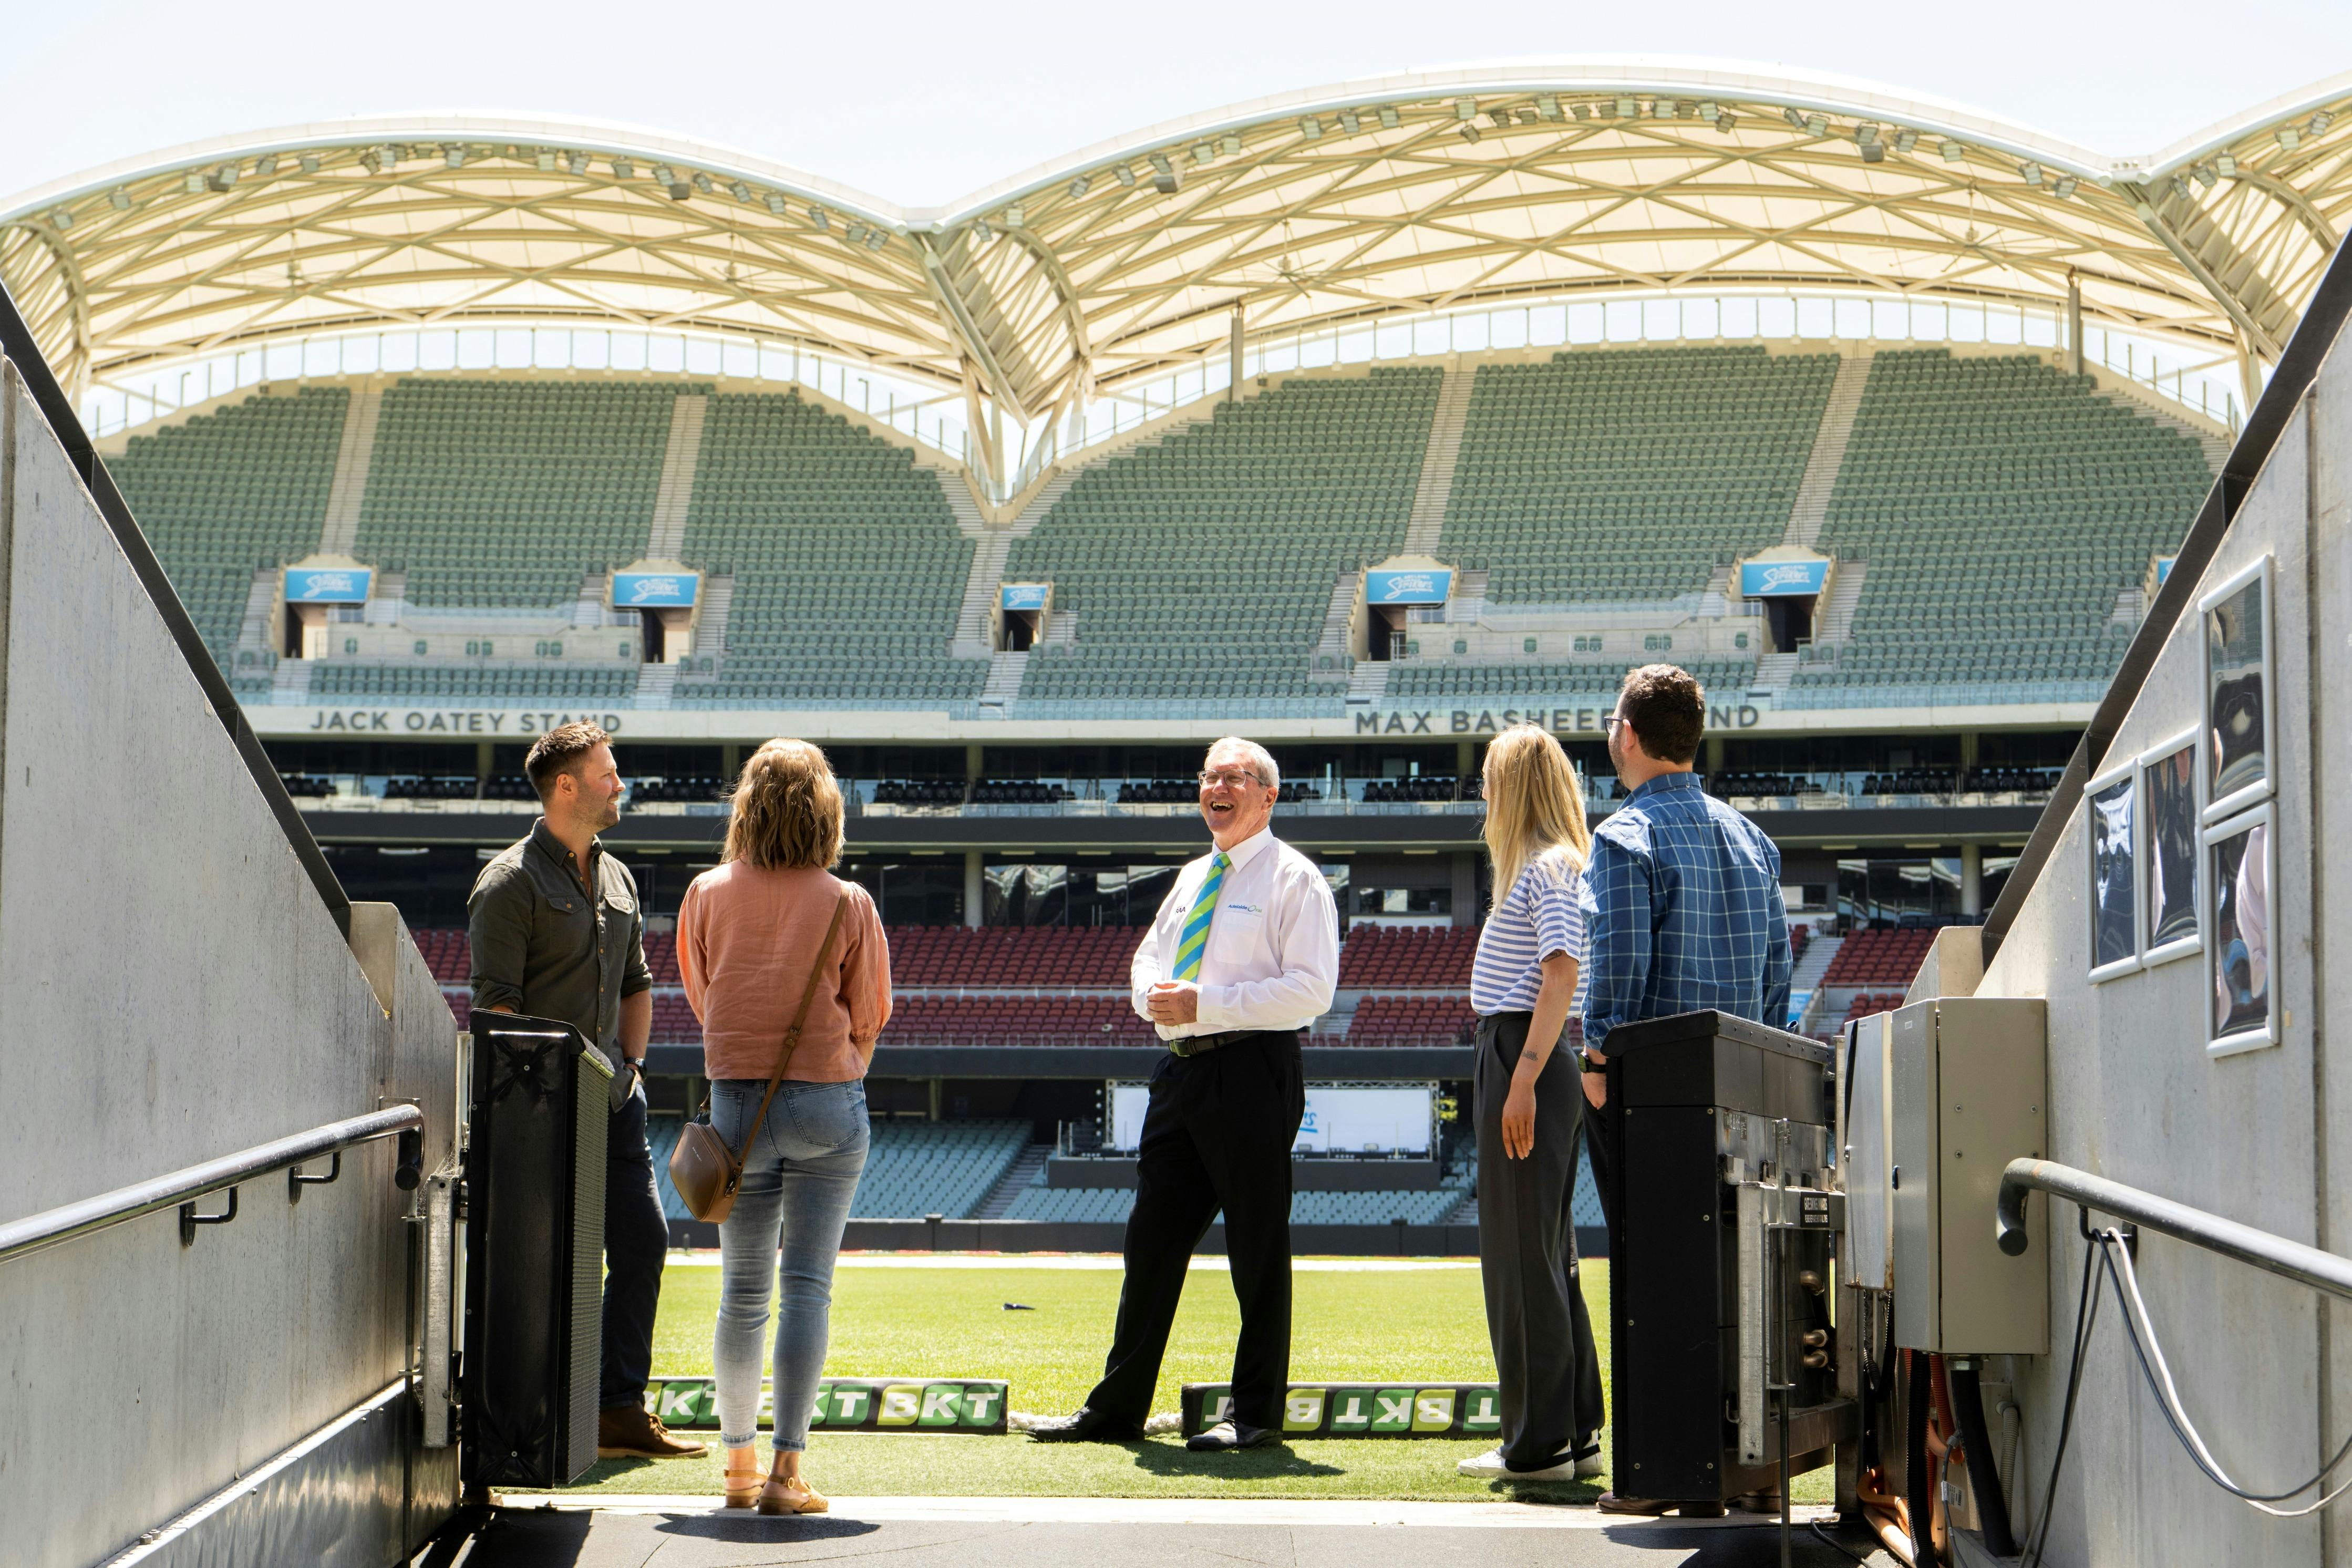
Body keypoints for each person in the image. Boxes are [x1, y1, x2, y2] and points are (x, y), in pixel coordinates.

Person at [1031, 737, 1339, 1451]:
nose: (1218, 787)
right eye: (1210, 776)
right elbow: (1149, 957)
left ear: (1269, 795)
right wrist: (1154, 998)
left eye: (1236, 776)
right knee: (1151, 1242)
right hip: (1181, 1070)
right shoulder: (1194, 875)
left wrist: (1208, 1002)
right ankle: (1116, 1410)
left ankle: (1256, 1414)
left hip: (1253, 1067)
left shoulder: (1295, 879)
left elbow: (1311, 992)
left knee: (1256, 1250)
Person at [1575, 666, 1792, 1517]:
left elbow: (1617, 967)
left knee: (1652, 1278)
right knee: (1737, 1278)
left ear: (1628, 733)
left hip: (1653, 1094)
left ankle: (1664, 1473)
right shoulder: (1752, 840)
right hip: (1742, 1086)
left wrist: (1597, 1063)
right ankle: (1739, 1468)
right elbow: (1777, 981)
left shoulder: (1624, 836)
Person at [468, 722, 704, 1462]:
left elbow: (637, 984)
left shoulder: (618, 876)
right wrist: (536, 1101)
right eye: (606, 774)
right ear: (565, 787)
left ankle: (618, 1408)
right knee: (538, 1265)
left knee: (644, 1242)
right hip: (537, 1117)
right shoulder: (508, 883)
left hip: (614, 1103)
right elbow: (495, 1012)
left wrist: (631, 1067)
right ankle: (528, 1421)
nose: (619, 784)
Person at [678, 740, 890, 1514]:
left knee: (741, 1294)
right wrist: (843, 1065)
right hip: (828, 1102)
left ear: (746, 809)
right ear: (826, 813)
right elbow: (871, 1012)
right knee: (807, 1289)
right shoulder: (848, 901)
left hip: (738, 1108)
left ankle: (736, 1469)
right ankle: (786, 1474)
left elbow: (706, 998)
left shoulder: (705, 892)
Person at [1456, 725, 1606, 1484]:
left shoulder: (1545, 868)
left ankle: (1537, 1443)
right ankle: (1571, 1433)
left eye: (1490, 778)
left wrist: (1520, 1077)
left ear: (1514, 785)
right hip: (1525, 1052)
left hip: (1525, 1052)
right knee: (1549, 1257)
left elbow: (1561, 971)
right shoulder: (1550, 864)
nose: (1483, 792)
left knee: (1520, 1258)